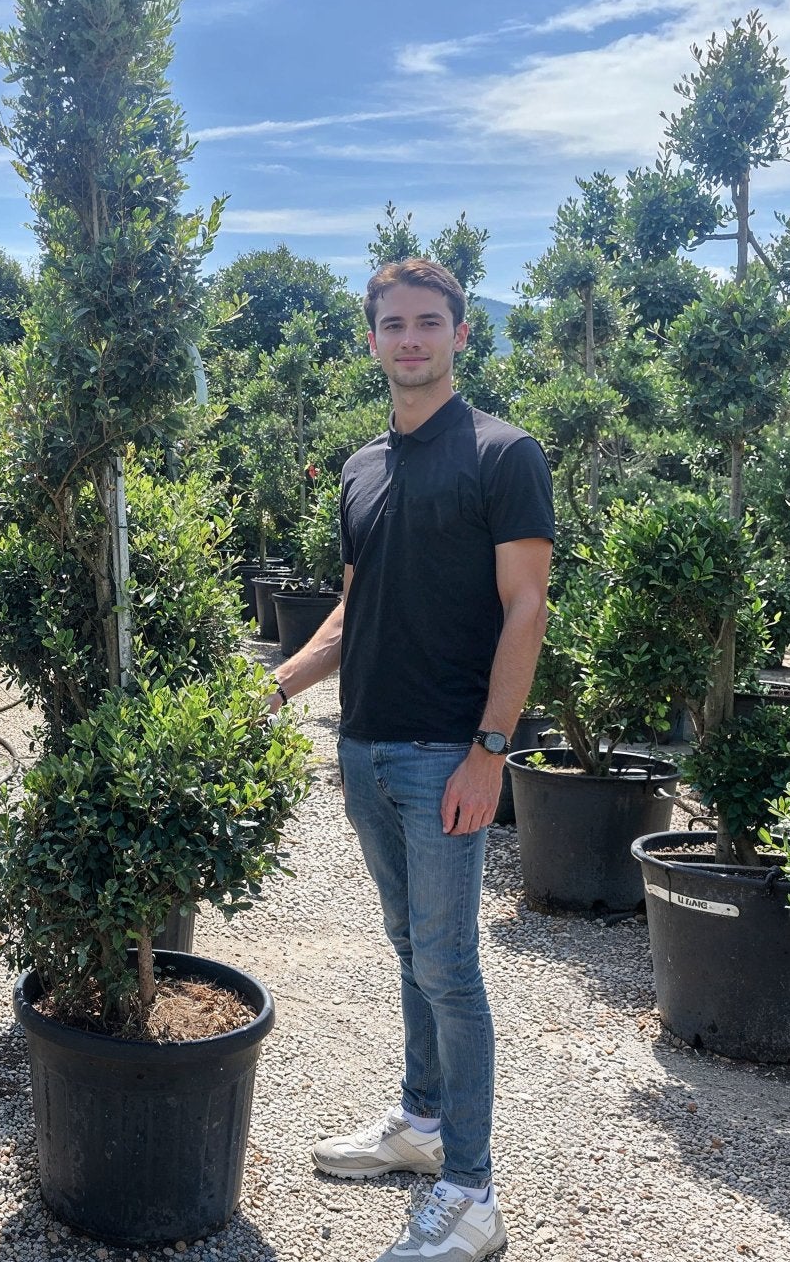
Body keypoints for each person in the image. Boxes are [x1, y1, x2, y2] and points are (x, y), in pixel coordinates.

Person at [268, 257, 553, 1262]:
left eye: (428, 323)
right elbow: (353, 608)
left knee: (449, 966)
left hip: (445, 752)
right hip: (364, 748)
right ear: (371, 337)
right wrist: (280, 684)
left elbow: (526, 606)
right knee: (408, 948)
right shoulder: (360, 467)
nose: (409, 340)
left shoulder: (500, 454)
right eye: (392, 324)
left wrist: (490, 751)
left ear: (459, 335)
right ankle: (421, 1126)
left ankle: (471, 1195)